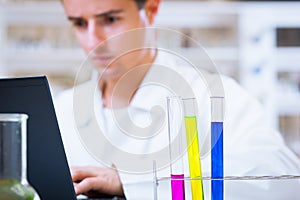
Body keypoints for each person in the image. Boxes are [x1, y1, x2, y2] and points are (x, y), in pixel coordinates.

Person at [55, 0, 300, 199]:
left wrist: (130, 183)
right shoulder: (62, 108)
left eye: (110, 20)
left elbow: (280, 175)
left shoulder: (213, 95)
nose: (92, 40)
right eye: (78, 23)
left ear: (151, 10)